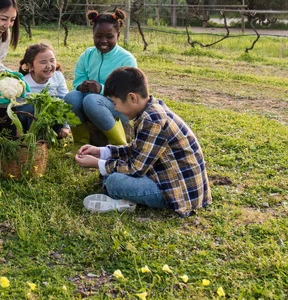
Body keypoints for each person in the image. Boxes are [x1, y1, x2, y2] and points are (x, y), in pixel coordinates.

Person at [75, 67, 211, 216]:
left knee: (113, 181)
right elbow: (136, 149)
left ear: (132, 98)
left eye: (114, 103)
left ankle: (122, 202)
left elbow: (135, 168)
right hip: (164, 175)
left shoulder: (153, 120)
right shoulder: (150, 111)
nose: (115, 109)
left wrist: (97, 163)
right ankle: (124, 197)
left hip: (177, 192)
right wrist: (102, 152)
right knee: (111, 173)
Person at [64, 9, 136, 145]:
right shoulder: (88, 55)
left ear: (118, 35)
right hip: (91, 103)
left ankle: (119, 145)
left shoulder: (126, 59)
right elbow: (77, 81)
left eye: (109, 36)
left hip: (120, 110)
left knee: (92, 100)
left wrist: (102, 89)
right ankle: (80, 144)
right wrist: (81, 86)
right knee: (71, 97)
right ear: (93, 35)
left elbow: (127, 95)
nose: (103, 41)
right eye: (98, 36)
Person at [14, 43, 71, 139]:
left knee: (60, 101)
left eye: (52, 61)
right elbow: (16, 107)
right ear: (31, 66)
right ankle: (32, 138)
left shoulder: (58, 77)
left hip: (50, 117)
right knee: (29, 107)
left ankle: (53, 134)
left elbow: (66, 102)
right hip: (29, 119)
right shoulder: (23, 82)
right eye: (43, 62)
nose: (49, 65)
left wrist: (66, 126)